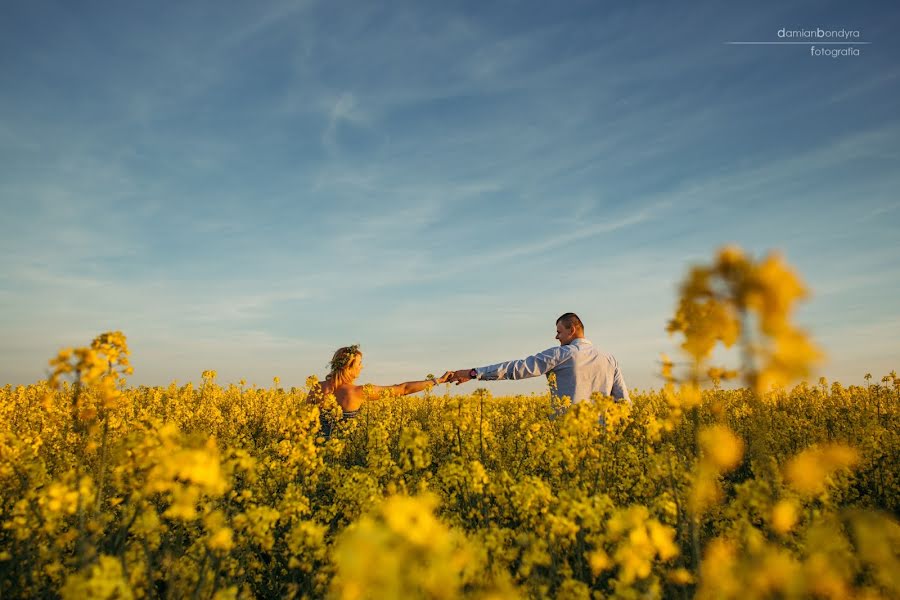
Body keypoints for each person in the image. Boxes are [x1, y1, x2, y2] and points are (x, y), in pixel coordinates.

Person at [443, 313, 630, 409]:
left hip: (569, 436)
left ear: (572, 330)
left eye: (559, 332)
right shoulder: (609, 358)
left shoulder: (562, 354)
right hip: (603, 439)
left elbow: (517, 369)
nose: (556, 337)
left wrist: (474, 373)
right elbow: (623, 402)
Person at [311, 345, 450, 436]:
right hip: (341, 458)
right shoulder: (358, 392)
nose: (362, 367)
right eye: (359, 364)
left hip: (315, 458)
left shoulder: (316, 388)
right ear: (348, 367)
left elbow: (305, 423)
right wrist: (438, 380)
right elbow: (403, 389)